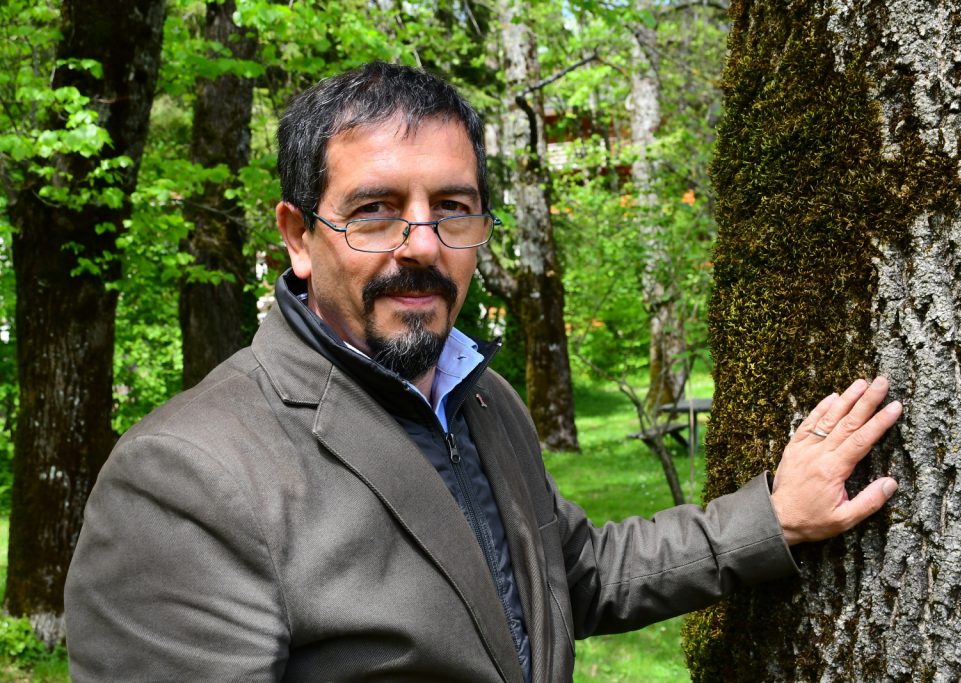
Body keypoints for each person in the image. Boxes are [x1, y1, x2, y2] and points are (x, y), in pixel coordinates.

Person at [64, 62, 902, 682]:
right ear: (297, 234)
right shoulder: (185, 475)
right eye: (375, 210)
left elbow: (573, 574)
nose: (421, 243)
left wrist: (775, 517)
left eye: (452, 208)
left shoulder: (481, 399)